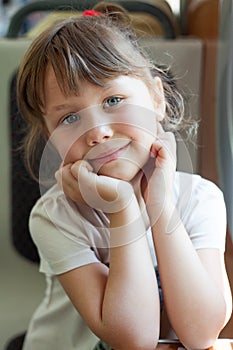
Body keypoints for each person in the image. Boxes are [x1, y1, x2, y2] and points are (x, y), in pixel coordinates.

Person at [17, 2, 232, 350]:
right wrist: (122, 207)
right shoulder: (55, 216)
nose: (98, 132)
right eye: (69, 119)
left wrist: (159, 204)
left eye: (114, 99)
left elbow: (201, 332)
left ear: (157, 99)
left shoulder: (200, 199)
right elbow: (133, 339)